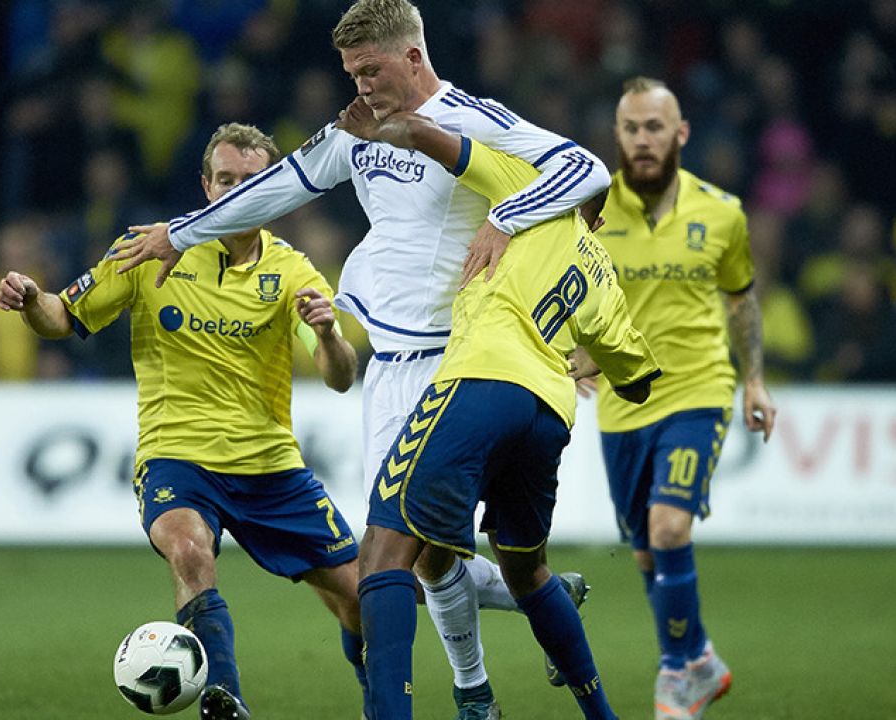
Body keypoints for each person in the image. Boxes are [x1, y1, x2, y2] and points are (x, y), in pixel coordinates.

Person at [113, 2, 609, 715]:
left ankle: (471, 693)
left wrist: (506, 217)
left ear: (412, 58)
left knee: (393, 554)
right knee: (426, 554)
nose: (361, 86)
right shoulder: (360, 129)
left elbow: (584, 168)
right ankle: (506, 645)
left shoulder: (470, 118)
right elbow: (281, 184)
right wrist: (186, 233)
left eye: (371, 70)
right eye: (351, 72)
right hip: (391, 367)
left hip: (462, 360)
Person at [0, 123, 365, 720]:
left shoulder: (295, 272)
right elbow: (64, 316)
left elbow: (339, 375)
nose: (238, 192)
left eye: (255, 182)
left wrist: (326, 332)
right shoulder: (148, 251)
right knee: (191, 551)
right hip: (178, 457)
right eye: (226, 180)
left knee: (362, 605)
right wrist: (32, 298)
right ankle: (226, 701)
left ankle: (378, 700)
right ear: (205, 185)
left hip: (270, 466)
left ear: (275, 189)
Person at [335, 100, 660, 720]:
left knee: (383, 547)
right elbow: (639, 379)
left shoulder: (520, 187)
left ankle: (403, 709)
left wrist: (384, 129)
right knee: (527, 571)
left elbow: (442, 142)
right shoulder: (601, 272)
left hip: (481, 380)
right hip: (548, 413)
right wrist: (592, 360)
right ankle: (602, 714)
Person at [575, 76, 778, 720]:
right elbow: (568, 286)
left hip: (696, 386)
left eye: (655, 127)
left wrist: (753, 379)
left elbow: (742, 299)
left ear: (680, 133)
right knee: (644, 549)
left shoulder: (723, 212)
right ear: (617, 135)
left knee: (668, 528)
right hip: (620, 397)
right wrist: (572, 348)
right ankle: (699, 659)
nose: (643, 139)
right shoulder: (589, 206)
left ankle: (675, 672)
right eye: (631, 128)